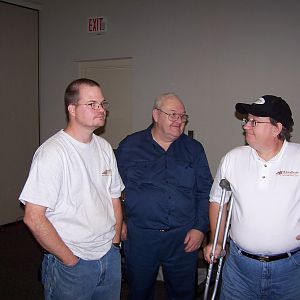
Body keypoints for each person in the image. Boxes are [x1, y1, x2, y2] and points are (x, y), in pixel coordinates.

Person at [19, 78, 124, 300]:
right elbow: (33, 217)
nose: (101, 109)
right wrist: (70, 260)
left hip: (108, 257)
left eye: (103, 103)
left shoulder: (104, 147)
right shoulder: (52, 153)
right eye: (92, 104)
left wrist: (114, 245)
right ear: (72, 109)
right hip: (72, 263)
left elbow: (114, 197)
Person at [116, 92, 212, 300]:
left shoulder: (194, 149)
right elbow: (113, 188)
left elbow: (205, 191)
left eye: (182, 116)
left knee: (183, 293)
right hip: (140, 236)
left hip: (183, 237)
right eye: (173, 114)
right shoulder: (130, 146)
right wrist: (119, 221)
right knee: (139, 292)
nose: (179, 120)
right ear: (155, 115)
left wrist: (199, 228)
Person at [204, 95, 300, 299]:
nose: (246, 126)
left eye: (254, 122)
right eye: (246, 120)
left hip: (291, 270)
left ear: (276, 128)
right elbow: (218, 202)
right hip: (239, 269)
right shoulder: (233, 158)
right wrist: (217, 241)